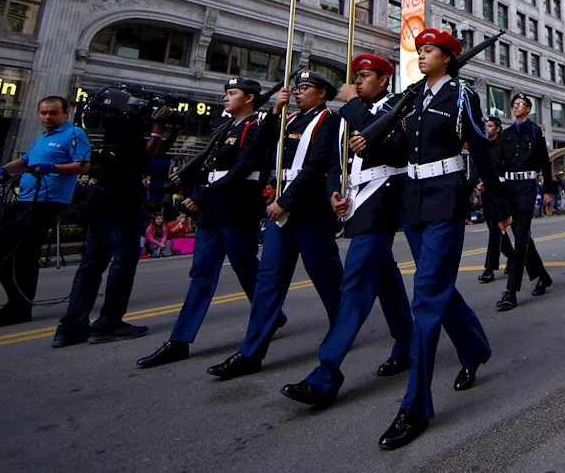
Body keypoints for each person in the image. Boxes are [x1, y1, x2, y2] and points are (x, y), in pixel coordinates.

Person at [362, 28, 499, 451]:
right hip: (414, 202)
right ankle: (474, 347)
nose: (421, 57)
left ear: (448, 56)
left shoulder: (461, 96)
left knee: (425, 295)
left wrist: (496, 202)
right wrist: (369, 143)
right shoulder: (414, 97)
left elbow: (479, 146)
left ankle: (415, 407)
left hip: (446, 199)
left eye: (428, 51)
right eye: (419, 51)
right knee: (436, 288)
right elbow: (403, 149)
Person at [282, 53, 427, 406]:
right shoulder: (348, 115)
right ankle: (407, 343)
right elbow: (337, 160)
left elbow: (395, 152)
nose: (358, 82)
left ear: (383, 81)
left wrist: (351, 104)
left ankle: (325, 376)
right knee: (386, 280)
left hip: (383, 199)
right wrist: (335, 190)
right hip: (356, 198)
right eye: (356, 77)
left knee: (356, 285)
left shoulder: (395, 106)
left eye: (365, 76)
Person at [207, 69, 345, 379]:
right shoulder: (290, 119)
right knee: (268, 280)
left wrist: (285, 201)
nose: (298, 92)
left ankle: (342, 332)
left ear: (322, 93)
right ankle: (250, 352)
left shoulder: (330, 121)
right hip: (280, 209)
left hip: (308, 209)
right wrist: (274, 111)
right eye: (297, 88)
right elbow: (261, 148)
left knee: (326, 276)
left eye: (305, 88)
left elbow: (315, 166)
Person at [136, 78, 266, 368]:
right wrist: (188, 181)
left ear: (249, 98)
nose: (226, 98)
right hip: (212, 210)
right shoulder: (225, 129)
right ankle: (180, 340)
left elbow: (242, 170)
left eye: (232, 93)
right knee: (202, 274)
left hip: (236, 208)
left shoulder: (256, 128)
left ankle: (269, 317)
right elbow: (209, 166)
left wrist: (202, 197)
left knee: (247, 270)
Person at [53, 104, 182, 347]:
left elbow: (151, 154)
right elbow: (145, 157)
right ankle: (108, 322)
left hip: (101, 206)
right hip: (121, 209)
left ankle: (71, 327)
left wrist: (171, 133)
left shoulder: (107, 144)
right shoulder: (128, 142)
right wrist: (157, 129)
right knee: (122, 264)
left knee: (90, 266)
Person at [0, 98, 90, 329]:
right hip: (24, 199)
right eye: (43, 113)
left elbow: (84, 165)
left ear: (65, 114)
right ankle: (19, 303)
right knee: (4, 252)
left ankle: (18, 305)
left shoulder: (74, 134)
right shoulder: (42, 137)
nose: (47, 117)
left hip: (47, 200)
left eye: (52, 113)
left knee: (17, 252)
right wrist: (3, 169)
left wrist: (53, 168)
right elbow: (26, 160)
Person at [495, 93, 554, 312]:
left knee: (520, 236)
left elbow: (544, 161)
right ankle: (543, 276)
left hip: (528, 187)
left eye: (521, 104)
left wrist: (548, 189)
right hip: (510, 187)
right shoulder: (507, 134)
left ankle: (511, 291)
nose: (517, 107)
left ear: (528, 109)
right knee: (521, 235)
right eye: (514, 105)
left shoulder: (535, 131)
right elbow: (499, 162)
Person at [473, 117, 514, 283]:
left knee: (496, 229)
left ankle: (489, 268)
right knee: (493, 227)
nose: (487, 128)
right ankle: (512, 256)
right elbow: (477, 170)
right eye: (485, 125)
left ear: (497, 128)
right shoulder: (482, 146)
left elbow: (511, 167)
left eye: (490, 126)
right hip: (487, 192)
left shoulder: (504, 145)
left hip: (502, 191)